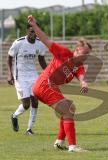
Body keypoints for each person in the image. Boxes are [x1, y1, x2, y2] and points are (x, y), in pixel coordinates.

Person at [27, 15, 92, 152]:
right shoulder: (63, 53)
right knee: (67, 110)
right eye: (84, 53)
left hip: (50, 87)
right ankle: (73, 146)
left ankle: (59, 142)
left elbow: (81, 77)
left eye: (88, 55)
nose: (85, 57)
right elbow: (45, 39)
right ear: (77, 50)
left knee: (71, 107)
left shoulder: (79, 66)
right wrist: (34, 25)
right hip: (45, 85)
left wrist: (84, 84)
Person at [8, 23, 47, 135]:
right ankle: (14, 116)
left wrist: (49, 73)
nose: (34, 34)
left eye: (35, 32)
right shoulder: (18, 43)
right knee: (26, 104)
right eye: (31, 31)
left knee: (35, 101)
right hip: (20, 76)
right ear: (27, 32)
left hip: (33, 75)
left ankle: (29, 129)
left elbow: (41, 60)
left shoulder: (40, 44)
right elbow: (10, 58)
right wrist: (10, 74)